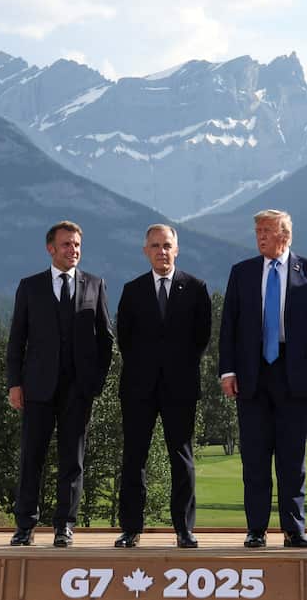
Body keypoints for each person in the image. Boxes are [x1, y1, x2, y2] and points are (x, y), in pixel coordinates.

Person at [219, 209, 307, 549]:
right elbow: (229, 327)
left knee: (291, 458)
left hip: (294, 374)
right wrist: (227, 371)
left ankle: (294, 529)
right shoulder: (242, 273)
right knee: (254, 456)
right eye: (257, 231)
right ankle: (256, 529)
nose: (260, 237)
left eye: (266, 230)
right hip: (252, 375)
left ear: (285, 235)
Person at [6, 221, 113, 547]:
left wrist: (96, 382)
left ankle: (64, 526)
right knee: (31, 458)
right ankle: (25, 526)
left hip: (78, 390)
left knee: (73, 460)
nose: (73, 250)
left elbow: (106, 339)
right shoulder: (30, 286)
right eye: (67, 244)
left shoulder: (95, 284)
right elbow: (17, 340)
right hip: (37, 387)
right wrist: (14, 384)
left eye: (77, 244)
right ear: (51, 248)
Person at [114, 224, 211, 549]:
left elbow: (202, 338)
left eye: (167, 245)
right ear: (145, 251)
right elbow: (125, 339)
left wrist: (175, 368)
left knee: (181, 459)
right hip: (138, 388)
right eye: (155, 246)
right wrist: (146, 369)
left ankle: (184, 529)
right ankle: (130, 529)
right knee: (134, 459)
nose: (161, 251)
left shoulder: (196, 289)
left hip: (180, 387)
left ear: (176, 249)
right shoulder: (132, 290)